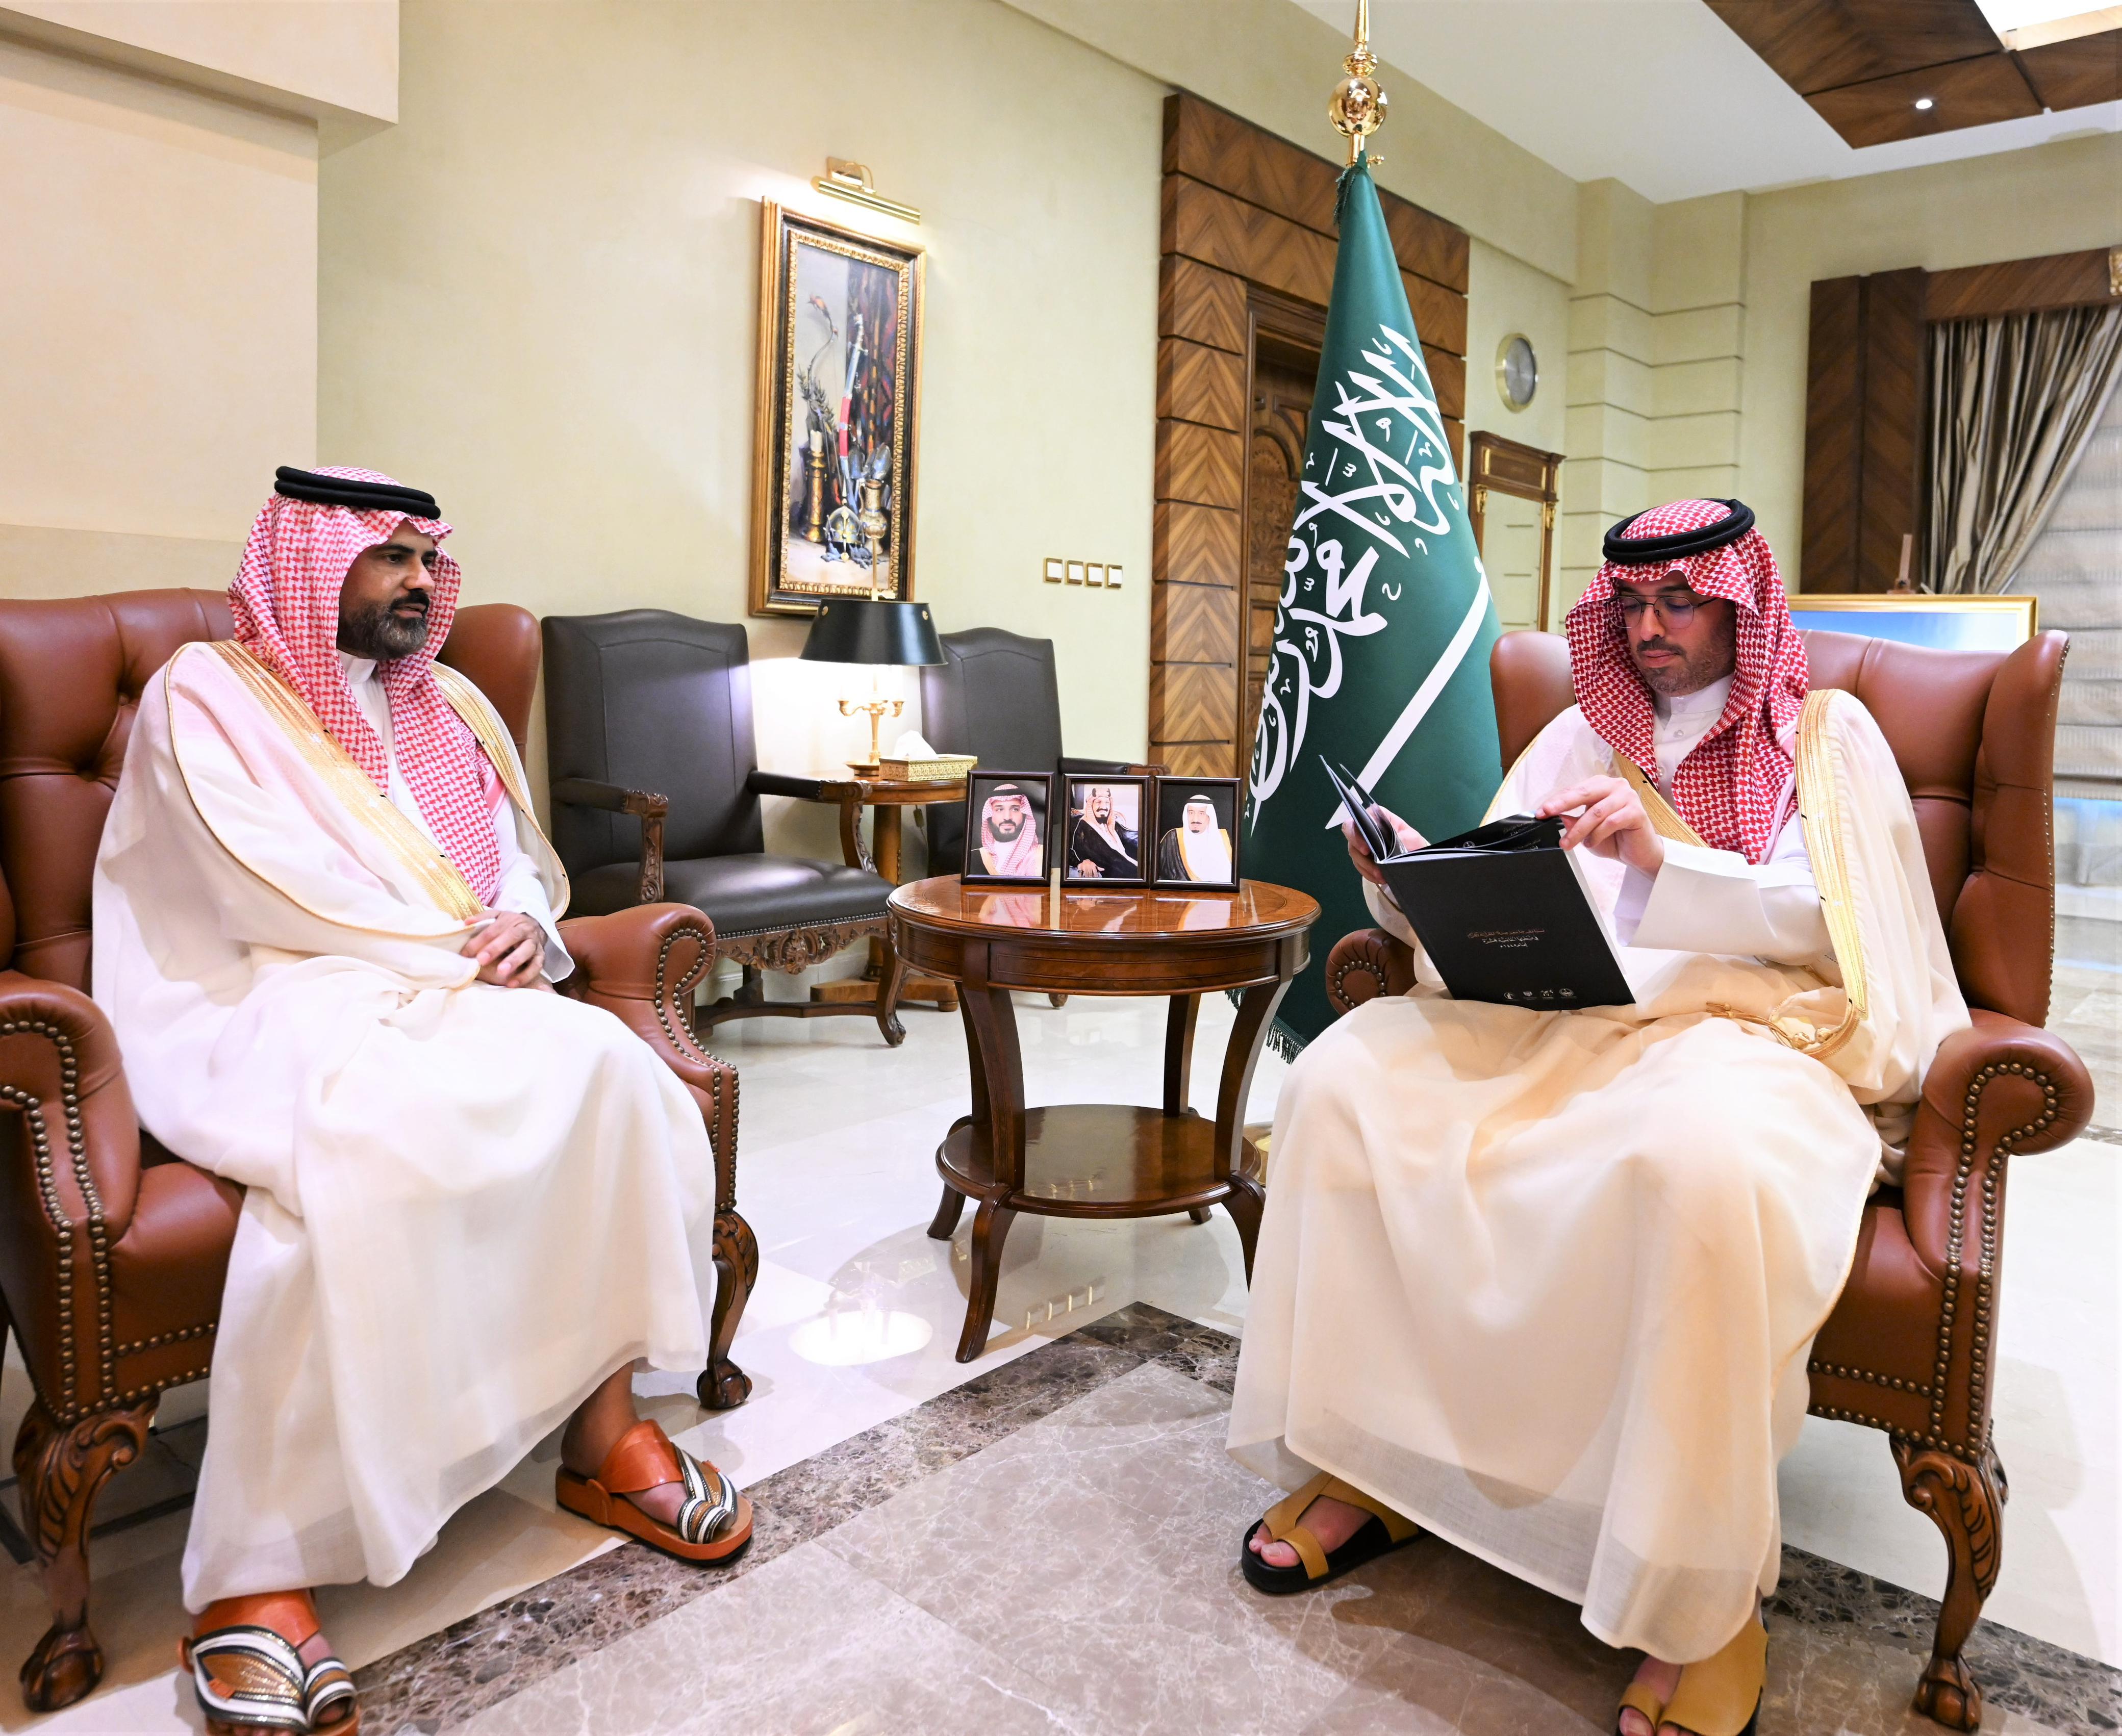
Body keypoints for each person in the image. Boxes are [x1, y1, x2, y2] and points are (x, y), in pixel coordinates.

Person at [1228, 499, 1967, 1736]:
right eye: (1629, 603)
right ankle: (1375, 1460)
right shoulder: (1580, 732)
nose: (1648, 627)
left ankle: (1698, 1602)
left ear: (1740, 603)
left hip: (1742, 1032)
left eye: (1678, 601)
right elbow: (1494, 894)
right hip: (1556, 1019)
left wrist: (1662, 862)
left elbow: (1838, 925)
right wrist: (1404, 882)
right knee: (1341, 1084)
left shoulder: (1820, 735)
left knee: (1695, 1163)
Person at [94, 467, 752, 1736]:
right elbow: (256, 886)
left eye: (424, 558)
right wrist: (458, 949)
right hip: (268, 985)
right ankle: (259, 1563)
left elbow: (514, 865)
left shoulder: (447, 700)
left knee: (613, 1073)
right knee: (361, 1137)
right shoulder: (208, 693)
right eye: (388, 556)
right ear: (309, 557)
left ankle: (603, 1430)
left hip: (448, 980)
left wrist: (525, 928)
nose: (416, 581)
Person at [1156, 792, 1233, 883]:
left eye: (1201, 813)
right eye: (1191, 813)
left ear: (1210, 816)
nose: (1195, 819)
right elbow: (1157, 874)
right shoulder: (1172, 838)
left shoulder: (1225, 839)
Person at [1067, 783, 1140, 879]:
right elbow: (1071, 850)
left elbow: (1130, 837)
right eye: (1099, 802)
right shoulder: (1082, 827)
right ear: (1091, 805)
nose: (1104, 807)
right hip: (1122, 875)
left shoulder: (1113, 825)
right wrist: (1084, 862)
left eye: (1107, 803)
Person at [974, 782, 1044, 876]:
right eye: (999, 810)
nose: (1007, 817)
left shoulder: (1041, 856)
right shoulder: (977, 857)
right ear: (990, 815)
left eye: (1015, 809)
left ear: (1024, 814)